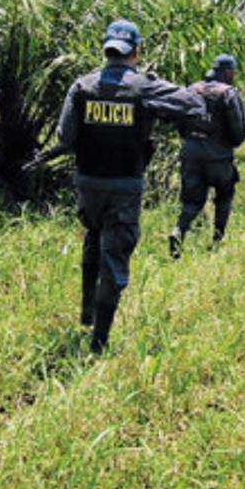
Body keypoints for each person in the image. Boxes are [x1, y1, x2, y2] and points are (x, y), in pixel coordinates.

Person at [55, 20, 206, 353]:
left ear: (106, 49)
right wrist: (155, 93)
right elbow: (194, 106)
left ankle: (87, 313)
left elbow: (65, 138)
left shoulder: (82, 86)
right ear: (135, 52)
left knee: (93, 238)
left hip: (88, 183)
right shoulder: (144, 87)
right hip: (124, 184)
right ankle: (99, 343)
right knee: (114, 257)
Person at [168, 54, 245, 257]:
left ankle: (179, 231)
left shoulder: (191, 90)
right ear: (227, 71)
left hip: (191, 152)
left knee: (192, 201)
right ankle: (217, 240)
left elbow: (179, 120)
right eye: (233, 71)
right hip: (218, 156)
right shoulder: (228, 93)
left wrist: (192, 139)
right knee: (224, 195)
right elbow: (239, 132)